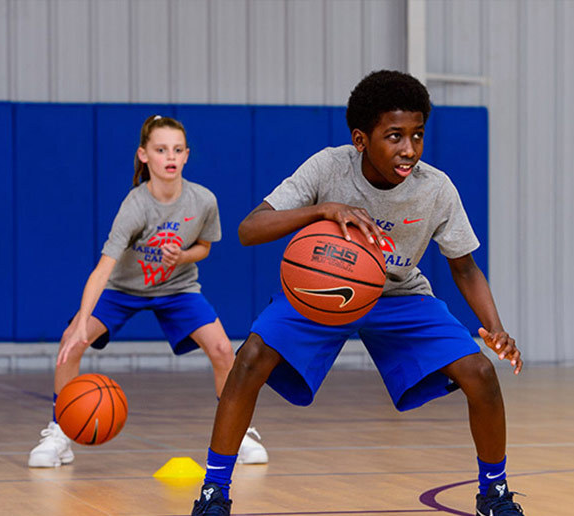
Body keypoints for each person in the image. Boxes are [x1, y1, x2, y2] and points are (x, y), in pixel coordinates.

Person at [189, 70, 525, 516]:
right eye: (395, 136)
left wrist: (496, 329)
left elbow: (463, 267)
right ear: (361, 139)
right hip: (323, 292)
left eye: (417, 134)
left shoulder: (435, 188)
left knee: (480, 372)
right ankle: (214, 491)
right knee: (250, 357)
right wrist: (323, 210)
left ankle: (494, 493)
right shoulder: (329, 167)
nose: (409, 149)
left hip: (398, 296)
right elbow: (250, 229)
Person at [28, 115, 267, 468]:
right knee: (70, 344)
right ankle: (60, 433)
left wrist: (182, 256)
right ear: (144, 155)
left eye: (177, 150)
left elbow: (204, 248)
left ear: (187, 155)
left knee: (222, 349)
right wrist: (80, 323)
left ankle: (237, 436)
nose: (170, 157)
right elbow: (103, 269)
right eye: (161, 150)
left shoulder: (203, 201)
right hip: (123, 288)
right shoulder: (135, 205)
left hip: (178, 287)